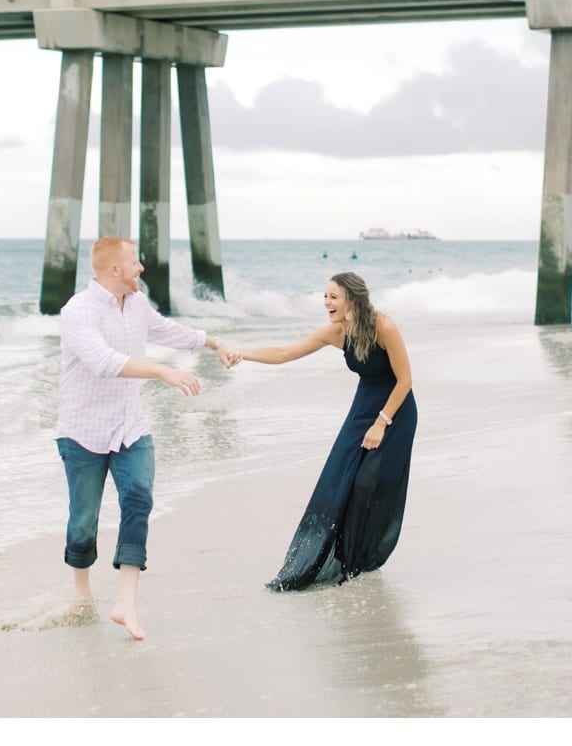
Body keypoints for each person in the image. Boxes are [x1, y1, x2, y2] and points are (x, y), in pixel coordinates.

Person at [55, 235, 237, 639]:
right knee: (83, 522)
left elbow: (169, 331)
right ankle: (81, 594)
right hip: (82, 430)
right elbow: (103, 362)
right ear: (115, 270)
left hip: (130, 425)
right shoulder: (78, 312)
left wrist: (215, 342)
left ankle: (126, 602)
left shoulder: (136, 303)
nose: (142, 268)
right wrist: (162, 372)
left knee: (138, 499)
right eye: (135, 263)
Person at [228, 272, 417, 591]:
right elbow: (284, 353)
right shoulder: (336, 333)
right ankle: (343, 559)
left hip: (395, 412)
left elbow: (405, 380)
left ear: (352, 299)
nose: (327, 303)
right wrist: (243, 353)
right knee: (340, 480)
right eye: (324, 297)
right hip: (362, 411)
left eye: (333, 297)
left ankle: (363, 559)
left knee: (370, 482)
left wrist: (381, 422)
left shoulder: (384, 326)